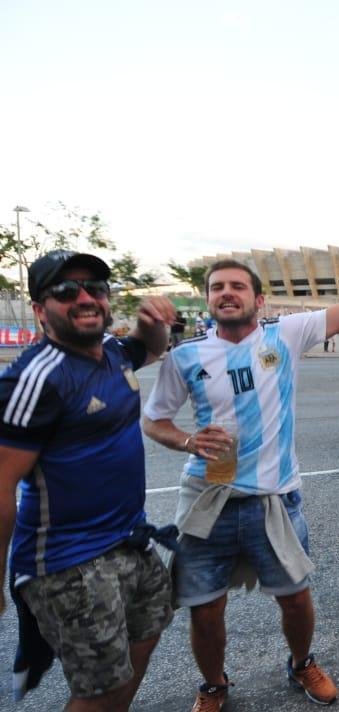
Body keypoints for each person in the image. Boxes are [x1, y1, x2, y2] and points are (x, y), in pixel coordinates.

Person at [141, 204, 339, 711]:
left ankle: (301, 664)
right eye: (216, 288)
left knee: (295, 598)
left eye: (236, 286)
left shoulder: (284, 336)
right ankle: (214, 685)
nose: (226, 293)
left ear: (258, 297)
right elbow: (153, 420)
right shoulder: (186, 356)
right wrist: (188, 441)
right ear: (208, 300)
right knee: (204, 610)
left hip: (275, 499)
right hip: (208, 498)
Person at [0, 249, 176, 711]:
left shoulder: (114, 354)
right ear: (39, 310)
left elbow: (151, 345)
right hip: (68, 561)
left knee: (146, 637)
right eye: (65, 290)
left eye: (95, 288)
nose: (85, 298)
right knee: (102, 689)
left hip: (130, 540)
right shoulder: (35, 380)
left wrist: (154, 316)